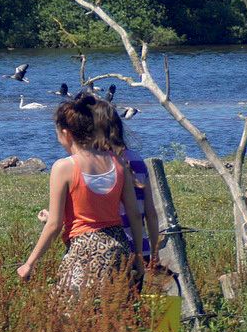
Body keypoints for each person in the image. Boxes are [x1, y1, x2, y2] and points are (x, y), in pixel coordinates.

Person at [18, 94, 150, 294]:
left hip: (84, 252)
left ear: (66, 133)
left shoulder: (64, 167)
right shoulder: (118, 163)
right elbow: (134, 215)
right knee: (114, 316)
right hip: (118, 250)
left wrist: (30, 263)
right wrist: (138, 257)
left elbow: (55, 224)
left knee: (71, 318)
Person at [91, 98, 164, 281]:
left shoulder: (99, 163)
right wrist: (155, 254)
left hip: (112, 250)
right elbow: (151, 214)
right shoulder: (137, 160)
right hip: (142, 249)